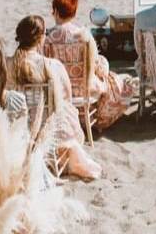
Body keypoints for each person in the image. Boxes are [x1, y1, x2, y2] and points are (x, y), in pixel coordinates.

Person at [8, 15, 101, 180]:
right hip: (46, 131)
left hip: (16, 129)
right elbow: (67, 99)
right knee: (68, 112)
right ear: (41, 38)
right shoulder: (52, 66)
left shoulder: (8, 65)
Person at [45, 0, 133, 129]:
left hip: (59, 89)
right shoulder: (83, 35)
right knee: (115, 81)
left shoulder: (48, 39)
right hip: (83, 89)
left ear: (55, 11)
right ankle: (94, 119)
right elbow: (95, 65)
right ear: (74, 12)